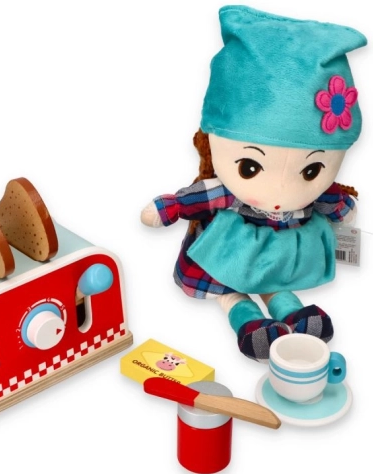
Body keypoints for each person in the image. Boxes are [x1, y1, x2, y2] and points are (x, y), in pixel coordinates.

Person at [141, 6, 366, 362]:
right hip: (231, 254)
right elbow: (191, 201)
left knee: (275, 284)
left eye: (311, 171)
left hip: (279, 259)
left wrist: (342, 207)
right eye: (250, 167)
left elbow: (337, 203)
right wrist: (168, 207)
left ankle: (290, 310)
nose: (281, 194)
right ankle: (245, 318)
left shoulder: (318, 195)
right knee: (231, 290)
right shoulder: (225, 193)